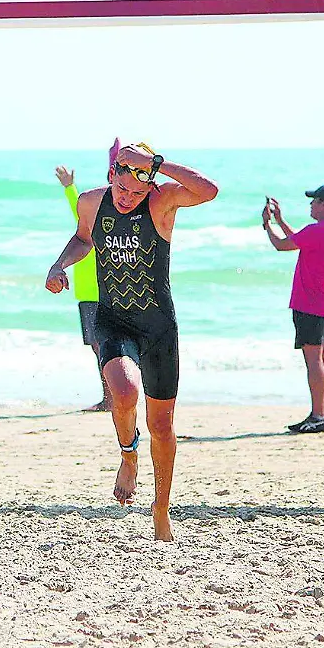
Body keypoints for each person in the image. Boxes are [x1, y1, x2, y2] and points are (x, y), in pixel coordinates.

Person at [45, 141, 218, 542]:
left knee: (162, 425)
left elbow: (209, 190)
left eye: (137, 192)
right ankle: (127, 453)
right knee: (123, 391)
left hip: (159, 326)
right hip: (114, 319)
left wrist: (157, 164)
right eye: (122, 189)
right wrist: (59, 264)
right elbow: (83, 238)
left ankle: (161, 508)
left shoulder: (162, 202)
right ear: (111, 176)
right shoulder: (91, 202)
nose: (127, 198)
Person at [262, 185, 324, 434]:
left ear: (323, 204)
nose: (310, 206)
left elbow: (282, 245)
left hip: (309, 304)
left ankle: (318, 415)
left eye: (313, 202)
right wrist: (280, 220)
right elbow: (299, 241)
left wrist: (267, 225)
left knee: (314, 362)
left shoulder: (316, 231)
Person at [55, 163, 111, 412]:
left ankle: (112, 399)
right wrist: (69, 187)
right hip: (87, 294)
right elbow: (76, 207)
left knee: (105, 348)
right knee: (98, 349)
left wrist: (69, 186)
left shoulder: (112, 226)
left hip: (104, 293)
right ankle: (110, 397)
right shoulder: (86, 224)